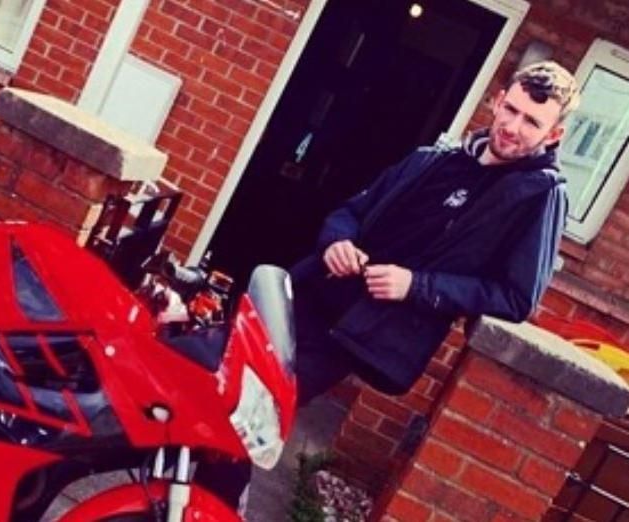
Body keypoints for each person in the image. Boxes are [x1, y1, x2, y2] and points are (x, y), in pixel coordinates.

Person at [195, 60, 580, 511]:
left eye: (532, 121)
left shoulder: (540, 196)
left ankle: (209, 507)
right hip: (305, 293)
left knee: (249, 414)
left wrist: (416, 286)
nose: (513, 126)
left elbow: (516, 297)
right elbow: (350, 211)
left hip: (353, 333)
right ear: (497, 101)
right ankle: (179, 495)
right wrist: (339, 241)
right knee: (208, 379)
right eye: (510, 109)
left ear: (552, 136)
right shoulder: (434, 159)